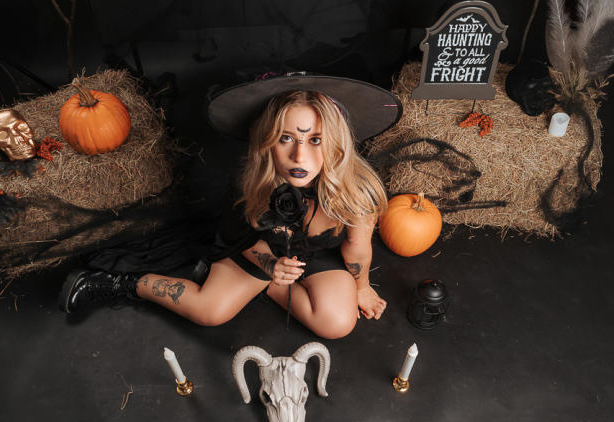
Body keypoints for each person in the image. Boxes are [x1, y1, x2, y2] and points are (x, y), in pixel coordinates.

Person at [59, 73, 402, 339]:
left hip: (315, 257)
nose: (300, 156)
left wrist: (361, 286)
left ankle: (271, 288)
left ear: (337, 144)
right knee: (210, 312)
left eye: (316, 140)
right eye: (286, 139)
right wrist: (270, 264)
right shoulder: (253, 183)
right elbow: (238, 235)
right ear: (268, 141)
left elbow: (356, 250)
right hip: (255, 249)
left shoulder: (357, 193)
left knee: (337, 323)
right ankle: (123, 282)